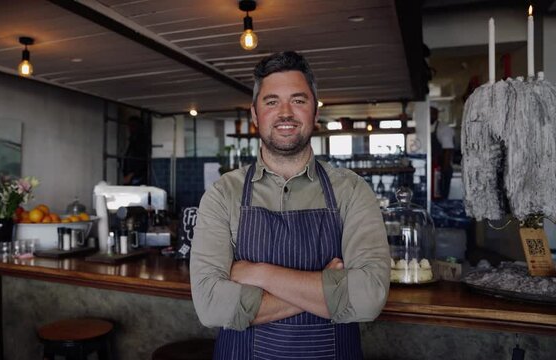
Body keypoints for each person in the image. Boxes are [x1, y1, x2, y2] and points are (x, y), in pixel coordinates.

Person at [190, 51, 390, 359]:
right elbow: (211, 306)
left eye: (298, 100)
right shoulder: (222, 194)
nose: (285, 112)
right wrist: (328, 290)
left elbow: (368, 299)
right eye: (271, 102)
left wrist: (258, 274)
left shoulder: (351, 190)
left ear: (315, 112)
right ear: (255, 115)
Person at [430, 107, 455, 199]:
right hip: (432, 168)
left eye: (432, 113)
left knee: (440, 197)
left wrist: (442, 172)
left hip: (441, 169)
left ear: (436, 114)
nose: (430, 115)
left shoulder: (443, 128)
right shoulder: (427, 128)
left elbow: (448, 150)